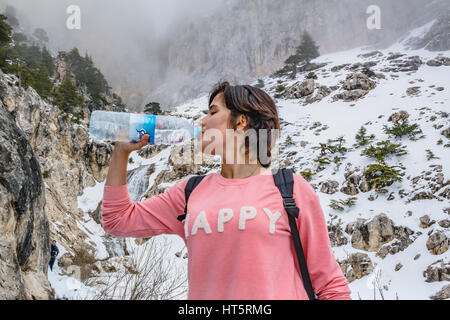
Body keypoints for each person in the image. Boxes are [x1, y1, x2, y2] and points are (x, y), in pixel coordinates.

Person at [101, 81, 351, 300]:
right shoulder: (190, 192)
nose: (202, 121)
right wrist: (121, 152)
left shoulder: (290, 189)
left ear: (241, 121)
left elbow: (330, 285)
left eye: (212, 111)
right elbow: (117, 220)